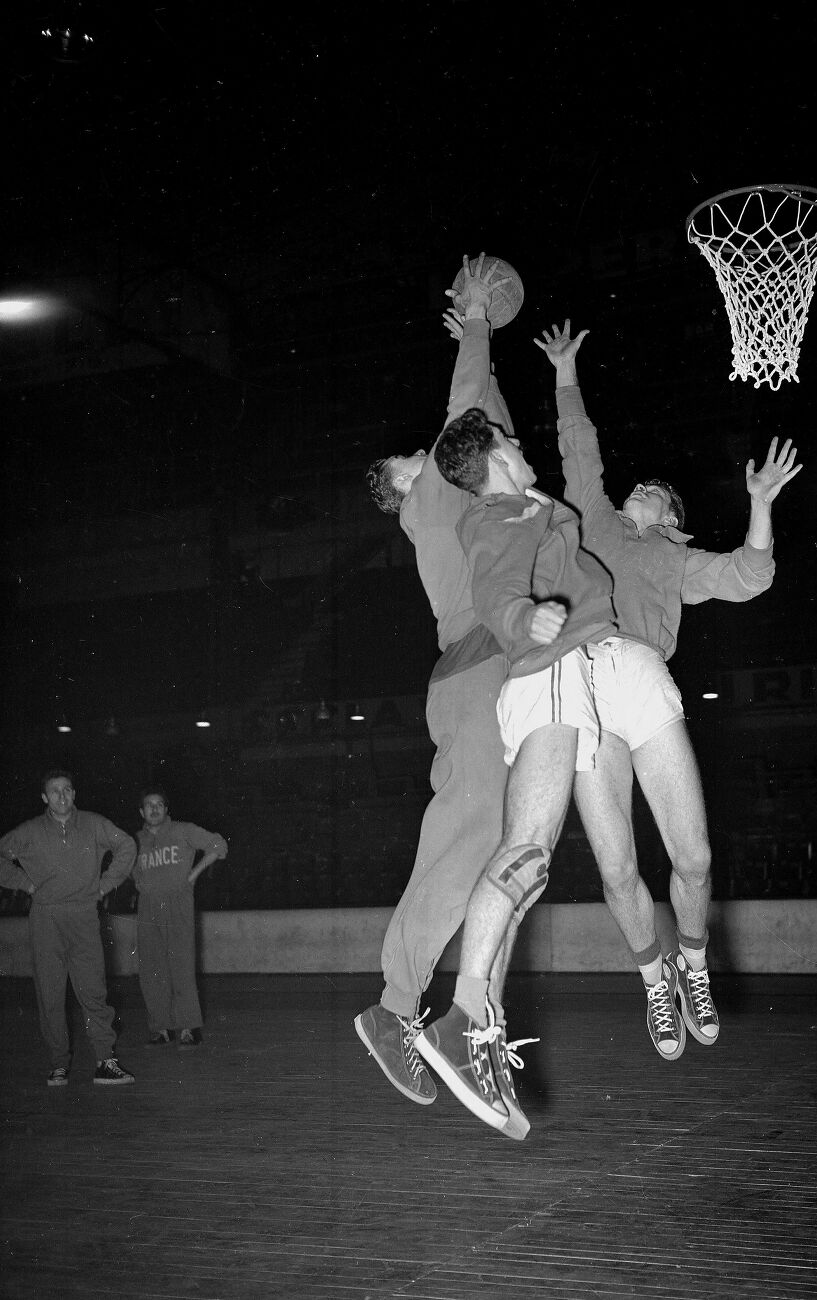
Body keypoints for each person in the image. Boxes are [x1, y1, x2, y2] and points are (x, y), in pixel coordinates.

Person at [536, 319, 801, 1061]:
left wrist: (761, 505)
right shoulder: (594, 520)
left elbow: (749, 577)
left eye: (661, 492)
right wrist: (564, 372)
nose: (648, 486)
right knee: (617, 867)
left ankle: (692, 963)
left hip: (643, 673)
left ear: (673, 520)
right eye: (642, 485)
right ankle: (655, 982)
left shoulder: (676, 560)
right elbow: (578, 449)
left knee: (694, 861)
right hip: (580, 679)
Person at [413, 360, 618, 1140]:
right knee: (526, 852)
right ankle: (464, 1017)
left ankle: (480, 1031)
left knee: (525, 871)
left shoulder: (521, 503)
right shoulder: (498, 512)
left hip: (555, 673)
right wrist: (521, 618)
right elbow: (498, 586)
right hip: (550, 666)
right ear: (493, 465)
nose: (518, 439)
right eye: (508, 438)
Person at [354, 254, 520, 1105]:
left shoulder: (463, 495)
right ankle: (394, 1008)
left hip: (506, 670)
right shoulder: (427, 504)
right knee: (466, 845)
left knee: (512, 855)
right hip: (476, 674)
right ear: (399, 489)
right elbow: (464, 419)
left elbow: (487, 431)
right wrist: (480, 330)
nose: (415, 451)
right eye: (402, 457)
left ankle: (474, 1021)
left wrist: (484, 349)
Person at [0, 769, 137, 1086]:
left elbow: (126, 845)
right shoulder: (30, 831)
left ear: (74, 794)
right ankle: (59, 1062)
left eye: (67, 790)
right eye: (54, 791)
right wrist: (25, 883)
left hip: (84, 915)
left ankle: (105, 1060)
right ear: (45, 798)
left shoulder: (93, 824)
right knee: (50, 993)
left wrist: (104, 885)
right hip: (46, 918)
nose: (62, 796)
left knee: (93, 990)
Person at [132, 786, 228, 1049]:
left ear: (166, 809)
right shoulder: (135, 841)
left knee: (181, 965)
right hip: (148, 907)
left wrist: (193, 875)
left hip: (178, 904)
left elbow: (219, 845)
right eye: (149, 805)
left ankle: (187, 1028)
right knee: (152, 969)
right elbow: (127, 868)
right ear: (142, 811)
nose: (154, 809)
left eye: (159, 804)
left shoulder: (182, 831)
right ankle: (160, 1028)